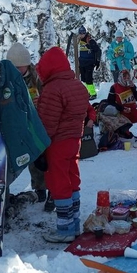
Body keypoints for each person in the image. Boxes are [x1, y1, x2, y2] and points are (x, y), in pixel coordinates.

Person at [35, 46, 96, 243]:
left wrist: (41, 148)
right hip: (74, 141)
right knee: (72, 179)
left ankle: (65, 229)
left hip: (57, 143)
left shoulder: (53, 89)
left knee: (59, 183)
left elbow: (48, 123)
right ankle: (74, 223)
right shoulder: (77, 85)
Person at [6, 42, 50, 210]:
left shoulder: (36, 77)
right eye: (15, 68)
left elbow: (48, 95)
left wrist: (40, 101)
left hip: (35, 122)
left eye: (21, 68)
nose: (19, 71)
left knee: (38, 157)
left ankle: (40, 188)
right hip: (15, 125)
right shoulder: (5, 77)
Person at [77, 26, 101, 100]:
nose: (81, 35)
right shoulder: (78, 41)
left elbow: (98, 50)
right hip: (82, 62)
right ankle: (88, 92)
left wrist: (97, 61)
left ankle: (93, 93)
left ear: (85, 33)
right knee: (84, 79)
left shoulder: (90, 41)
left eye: (83, 33)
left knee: (88, 79)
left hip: (89, 63)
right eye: (80, 33)